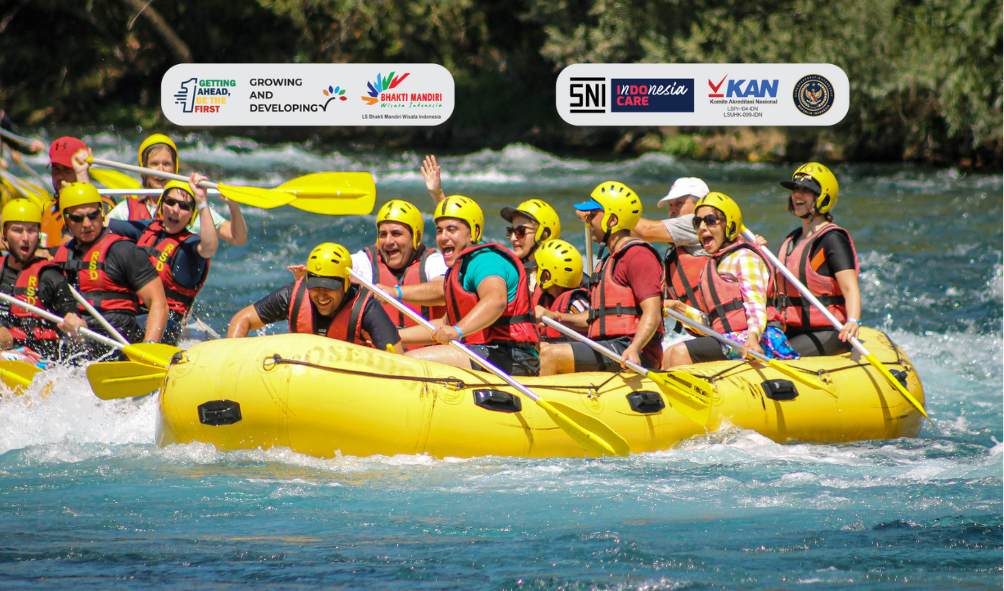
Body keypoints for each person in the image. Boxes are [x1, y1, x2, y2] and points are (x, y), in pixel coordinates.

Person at [399, 195, 540, 376]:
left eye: (452, 230)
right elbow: (444, 324)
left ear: (474, 233)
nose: (443, 237)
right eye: (439, 230)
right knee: (402, 356)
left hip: (513, 356)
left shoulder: (486, 261)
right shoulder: (461, 267)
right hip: (488, 352)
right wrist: (398, 336)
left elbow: (496, 300)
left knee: (410, 363)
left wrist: (457, 331)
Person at [539, 182, 665, 375]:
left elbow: (653, 313)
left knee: (550, 354)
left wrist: (634, 348)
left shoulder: (638, 255)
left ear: (612, 220)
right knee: (540, 348)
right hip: (608, 346)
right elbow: (594, 319)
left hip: (633, 350)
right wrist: (555, 316)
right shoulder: (607, 261)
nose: (588, 223)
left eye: (592, 216)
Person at [663, 192, 797, 367]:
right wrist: (678, 308)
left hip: (762, 339)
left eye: (710, 221)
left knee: (680, 351)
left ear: (730, 226)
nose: (702, 227)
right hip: (729, 338)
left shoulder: (745, 257)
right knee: (669, 353)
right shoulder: (711, 267)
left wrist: (753, 337)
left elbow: (755, 304)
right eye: (697, 223)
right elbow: (712, 323)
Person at [227, 243, 403, 352]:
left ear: (346, 283)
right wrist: (231, 359)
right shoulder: (292, 296)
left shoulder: (366, 308)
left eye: (329, 288)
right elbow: (242, 320)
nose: (321, 295)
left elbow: (397, 357)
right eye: (315, 287)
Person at [52, 183, 168, 349]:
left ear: (102, 214)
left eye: (93, 216)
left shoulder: (124, 251)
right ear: (66, 220)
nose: (86, 224)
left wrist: (148, 348)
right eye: (77, 218)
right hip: (78, 337)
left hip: (119, 337)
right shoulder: (61, 256)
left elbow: (158, 303)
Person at [107, 175, 219, 346]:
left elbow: (210, 247)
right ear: (161, 205)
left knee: (126, 326)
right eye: (170, 202)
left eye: (184, 206)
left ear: (192, 214)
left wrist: (202, 201)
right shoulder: (147, 229)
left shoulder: (190, 246)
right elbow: (99, 223)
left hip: (167, 324)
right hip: (132, 313)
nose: (175, 210)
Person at [774, 163, 860, 356]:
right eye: (796, 189)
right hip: (793, 330)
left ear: (822, 197)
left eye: (806, 190)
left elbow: (850, 288)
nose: (798, 195)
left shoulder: (833, 239)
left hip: (827, 331)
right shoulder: (792, 240)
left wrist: (853, 320)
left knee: (779, 355)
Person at [105, 134, 248, 246]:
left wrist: (233, 206)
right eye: (154, 164)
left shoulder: (191, 209)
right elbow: (91, 231)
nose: (160, 170)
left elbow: (238, 239)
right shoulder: (126, 211)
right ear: (142, 169)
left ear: (175, 168)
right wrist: (82, 173)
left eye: (166, 164)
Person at [354, 200, 447, 349]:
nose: (388, 241)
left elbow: (442, 290)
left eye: (396, 234)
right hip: (381, 355)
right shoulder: (365, 260)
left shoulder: (433, 260)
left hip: (428, 359)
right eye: (383, 234)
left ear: (415, 237)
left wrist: (394, 293)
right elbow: (342, 265)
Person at [0, 199, 86, 359]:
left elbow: (78, 333)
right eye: (17, 230)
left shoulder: (49, 276)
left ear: (39, 235)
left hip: (39, 359)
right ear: (4, 233)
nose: (25, 238)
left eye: (31, 231)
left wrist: (76, 326)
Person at [631, 177, 710, 312]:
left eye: (679, 203)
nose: (672, 210)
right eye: (670, 205)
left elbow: (645, 231)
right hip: (700, 321)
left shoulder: (697, 223)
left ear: (700, 206)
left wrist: (608, 213)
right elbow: (633, 231)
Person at [530, 239, 590, 343]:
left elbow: (592, 323)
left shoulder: (576, 304)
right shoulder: (546, 299)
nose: (534, 273)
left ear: (546, 276)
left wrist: (555, 317)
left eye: (537, 269)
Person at [500, 199, 561, 292]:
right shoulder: (510, 272)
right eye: (511, 231)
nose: (512, 238)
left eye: (520, 231)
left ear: (544, 235)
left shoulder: (559, 276)